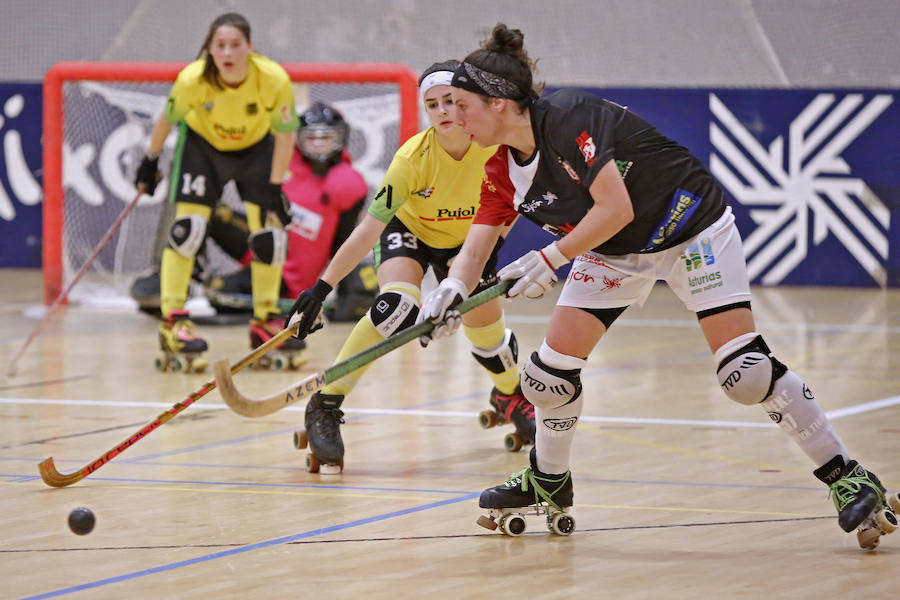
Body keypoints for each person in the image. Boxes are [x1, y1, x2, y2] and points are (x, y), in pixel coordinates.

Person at [417, 23, 892, 540]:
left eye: (462, 105)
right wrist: (449, 294)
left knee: (745, 372)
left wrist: (550, 257)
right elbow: (475, 250)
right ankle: (547, 481)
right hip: (615, 252)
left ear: (500, 103)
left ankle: (848, 477)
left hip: (691, 231)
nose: (452, 118)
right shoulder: (500, 171)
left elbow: (615, 208)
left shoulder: (571, 117)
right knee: (546, 378)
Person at [287, 60, 534, 473]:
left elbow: (513, 206)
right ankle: (325, 403)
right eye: (432, 103)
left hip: (468, 241)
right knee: (395, 306)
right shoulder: (412, 158)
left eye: (451, 101)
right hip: (412, 232)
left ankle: (509, 393)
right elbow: (367, 231)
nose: (442, 110)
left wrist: (482, 259)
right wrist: (321, 288)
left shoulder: (495, 149)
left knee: (484, 325)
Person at [134, 12, 304, 370]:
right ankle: (174, 321)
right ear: (209, 49)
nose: (227, 53)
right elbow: (168, 118)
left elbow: (285, 133)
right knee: (187, 232)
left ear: (250, 48)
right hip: (203, 148)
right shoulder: (193, 79)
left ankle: (264, 320)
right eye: (220, 45)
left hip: (256, 150)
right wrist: (150, 161)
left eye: (235, 45)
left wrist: (275, 186)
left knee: (271, 237)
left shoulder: (272, 79)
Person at [204, 102, 371, 318]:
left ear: (340, 139)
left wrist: (340, 290)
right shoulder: (284, 160)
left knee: (219, 289)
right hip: (265, 244)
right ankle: (173, 275)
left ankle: (272, 301)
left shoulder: (348, 183)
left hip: (290, 278)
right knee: (207, 212)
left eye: (325, 138)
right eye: (311, 138)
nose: (318, 144)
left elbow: (343, 243)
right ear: (299, 139)